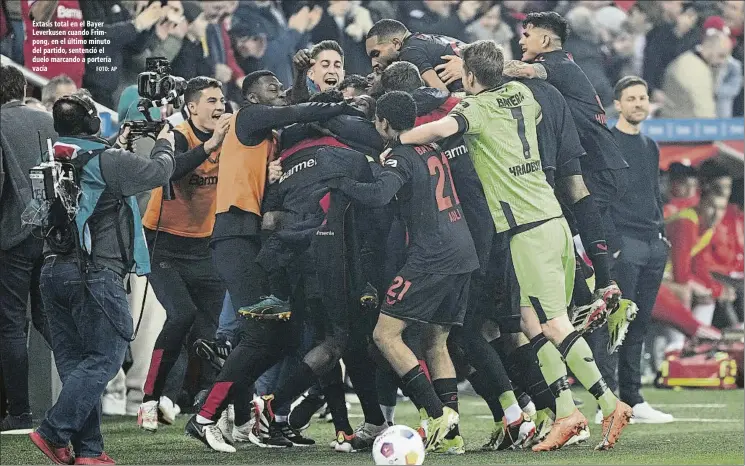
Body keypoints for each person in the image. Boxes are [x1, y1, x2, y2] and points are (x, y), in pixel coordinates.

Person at [395, 39, 631, 452]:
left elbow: (437, 129)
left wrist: (398, 138)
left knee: (554, 324)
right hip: (552, 219)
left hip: (528, 229)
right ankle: (565, 412)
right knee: (530, 322)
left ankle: (610, 404)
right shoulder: (521, 94)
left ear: (469, 76)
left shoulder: (476, 110)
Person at [183, 70, 362, 453]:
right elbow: (295, 109)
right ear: (250, 96)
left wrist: (273, 180)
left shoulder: (265, 141)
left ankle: (241, 411)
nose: (279, 93)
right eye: (272, 88)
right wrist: (341, 103)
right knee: (261, 334)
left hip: (254, 240)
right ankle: (205, 416)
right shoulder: (248, 118)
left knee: (281, 336)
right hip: (234, 237)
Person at [323, 90, 478, 452]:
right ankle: (451, 437)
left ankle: (436, 414)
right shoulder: (431, 148)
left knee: (385, 335)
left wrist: (340, 183)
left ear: (383, 123)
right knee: (435, 341)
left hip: (433, 256)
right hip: (462, 250)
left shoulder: (401, 156)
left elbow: (378, 195)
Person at [28, 92, 175, 464]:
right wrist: (165, 143)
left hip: (52, 270)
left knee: (77, 366)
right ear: (93, 121)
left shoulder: (53, 155)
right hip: (95, 273)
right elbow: (159, 173)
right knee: (105, 359)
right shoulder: (107, 159)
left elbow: (91, 173)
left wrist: (118, 143)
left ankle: (90, 452)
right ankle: (52, 430)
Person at [137, 77, 232, 432]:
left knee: (210, 331)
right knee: (180, 315)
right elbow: (170, 170)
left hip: (202, 245)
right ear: (191, 107)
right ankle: (148, 400)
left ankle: (201, 403)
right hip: (163, 243)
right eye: (211, 100)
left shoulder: (229, 136)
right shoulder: (177, 135)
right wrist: (211, 146)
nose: (219, 106)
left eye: (221, 99)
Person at [600, 76, 674, 424]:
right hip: (624, 244)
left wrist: (661, 238)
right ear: (618, 104)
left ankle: (634, 397)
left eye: (643, 97)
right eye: (631, 98)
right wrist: (612, 245)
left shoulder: (650, 145)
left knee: (640, 322)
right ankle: (609, 399)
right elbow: (599, 199)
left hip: (652, 244)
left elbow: (654, 195)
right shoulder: (607, 142)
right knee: (616, 323)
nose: (639, 103)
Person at [0, 66, 56, 434]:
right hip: (53, 235)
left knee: (10, 325)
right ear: (22, 88)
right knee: (50, 321)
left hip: (11, 234)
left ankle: (19, 412)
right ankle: (80, 395)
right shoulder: (49, 121)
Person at [365, 19, 464, 92]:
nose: (374, 63)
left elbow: (442, 94)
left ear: (396, 44)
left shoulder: (409, 52)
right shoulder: (428, 40)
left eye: (376, 54)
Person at [660, 28, 733, 118]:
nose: (723, 62)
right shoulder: (693, 67)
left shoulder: (692, 61)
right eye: (721, 55)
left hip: (678, 121)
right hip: (683, 124)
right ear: (709, 47)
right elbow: (704, 111)